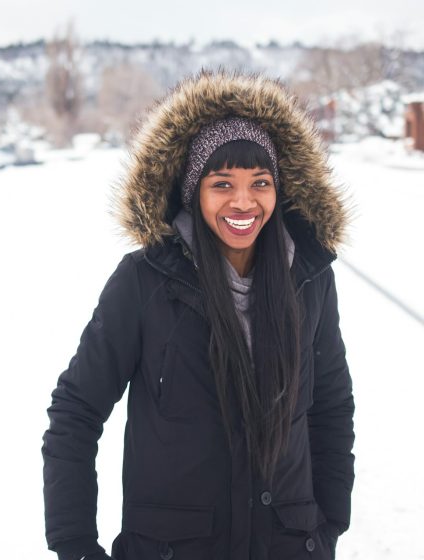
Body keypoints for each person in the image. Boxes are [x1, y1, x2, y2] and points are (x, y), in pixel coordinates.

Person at [42, 69, 355, 560]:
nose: (243, 201)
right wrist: (74, 543)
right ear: (193, 191)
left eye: (260, 182)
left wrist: (330, 521)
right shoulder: (145, 280)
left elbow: (331, 406)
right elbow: (75, 412)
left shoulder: (309, 278)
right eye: (222, 182)